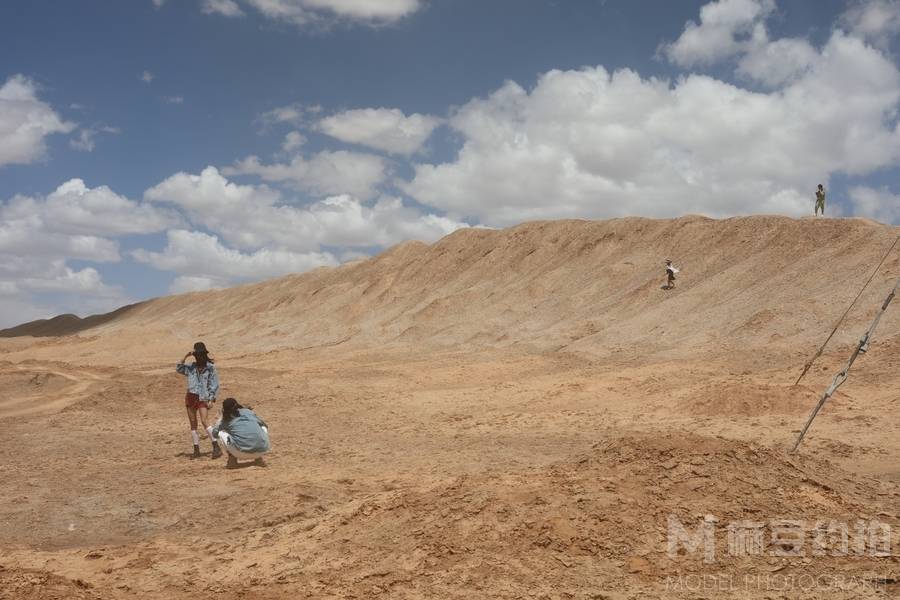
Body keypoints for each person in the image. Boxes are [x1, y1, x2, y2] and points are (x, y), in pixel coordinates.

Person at [177, 342, 222, 459]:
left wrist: (212, 399)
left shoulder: (210, 368)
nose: (200, 357)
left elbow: (214, 384)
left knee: (204, 421)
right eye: (197, 355)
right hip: (191, 396)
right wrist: (186, 356)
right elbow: (179, 368)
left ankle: (216, 446)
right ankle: (196, 449)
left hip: (203, 397)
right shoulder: (191, 367)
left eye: (201, 354)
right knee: (193, 423)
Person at [212, 397, 270, 468]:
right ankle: (258, 459)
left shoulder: (226, 419)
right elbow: (264, 425)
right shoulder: (248, 412)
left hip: (240, 453)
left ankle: (232, 460)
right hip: (261, 450)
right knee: (262, 427)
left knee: (221, 432)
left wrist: (220, 418)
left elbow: (214, 434)